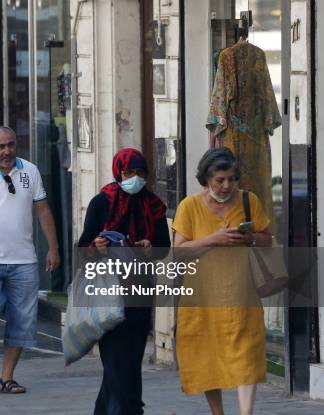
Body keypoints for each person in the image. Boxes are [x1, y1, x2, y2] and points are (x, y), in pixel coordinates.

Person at [0, 126, 60, 394]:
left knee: (22, 320)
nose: (6, 151)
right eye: (0, 147)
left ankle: (7, 377)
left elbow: (43, 211)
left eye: (11, 145)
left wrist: (53, 248)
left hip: (24, 260)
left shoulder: (30, 170)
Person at [172, 148, 272, 415]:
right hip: (202, 297)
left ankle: (245, 413)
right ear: (206, 179)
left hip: (242, 293)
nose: (227, 185)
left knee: (247, 355)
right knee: (207, 357)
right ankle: (218, 413)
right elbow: (179, 252)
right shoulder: (189, 206)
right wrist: (213, 239)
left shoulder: (249, 201)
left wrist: (249, 238)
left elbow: (266, 238)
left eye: (231, 179)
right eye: (220, 180)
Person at [77, 148, 170, 414]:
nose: (135, 178)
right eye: (129, 172)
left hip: (140, 290)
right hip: (107, 291)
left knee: (130, 358)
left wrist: (150, 246)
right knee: (115, 359)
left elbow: (163, 248)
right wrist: (98, 246)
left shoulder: (153, 205)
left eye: (140, 173)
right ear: (119, 172)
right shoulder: (101, 202)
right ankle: (132, 409)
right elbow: (84, 247)